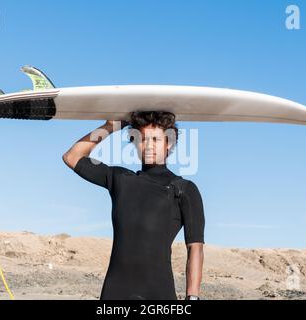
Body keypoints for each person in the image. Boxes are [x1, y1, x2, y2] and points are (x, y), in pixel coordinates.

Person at [62, 111, 205, 300]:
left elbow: (195, 248)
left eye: (156, 139)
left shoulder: (184, 190)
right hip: (115, 293)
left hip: (158, 294)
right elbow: (72, 156)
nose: (149, 146)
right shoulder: (121, 179)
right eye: (143, 139)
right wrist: (110, 127)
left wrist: (192, 297)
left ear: (169, 143)